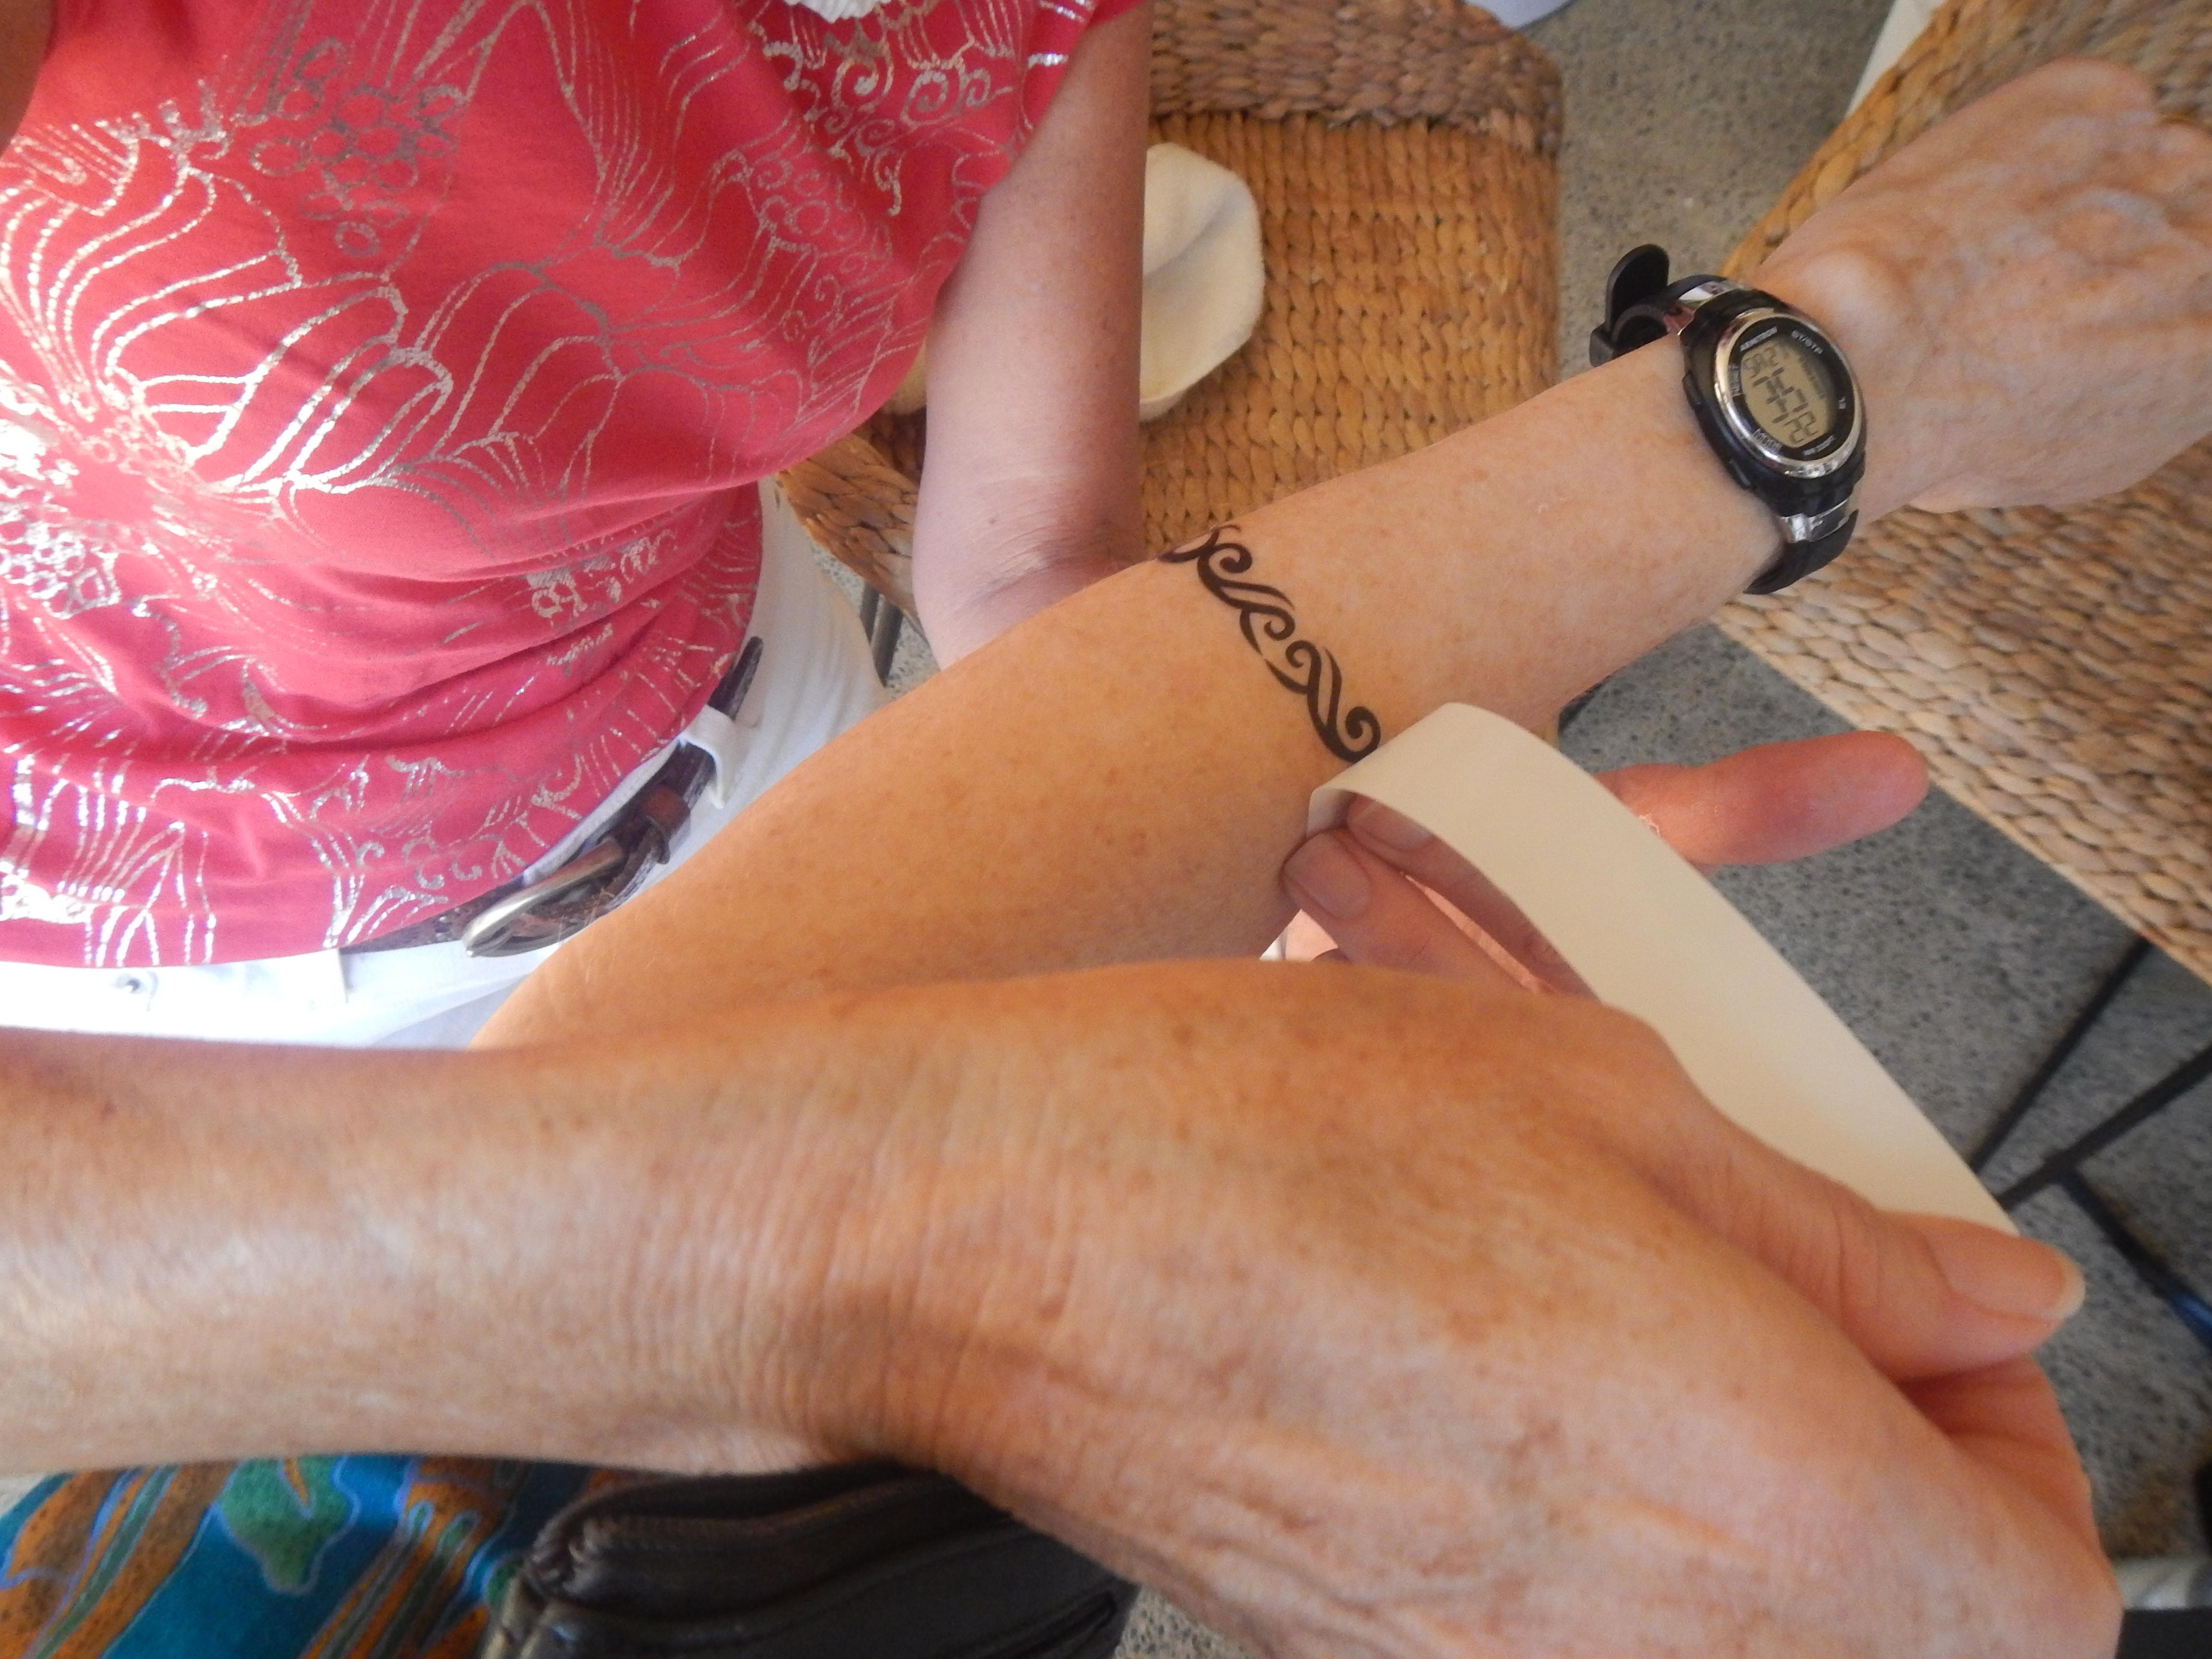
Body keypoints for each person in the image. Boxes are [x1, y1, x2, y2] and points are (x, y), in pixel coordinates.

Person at [1, 24, 2208, 1659]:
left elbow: (1035, 589)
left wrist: (1242, 895)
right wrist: (960, 1243)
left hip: (740, 742)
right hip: (193, 986)